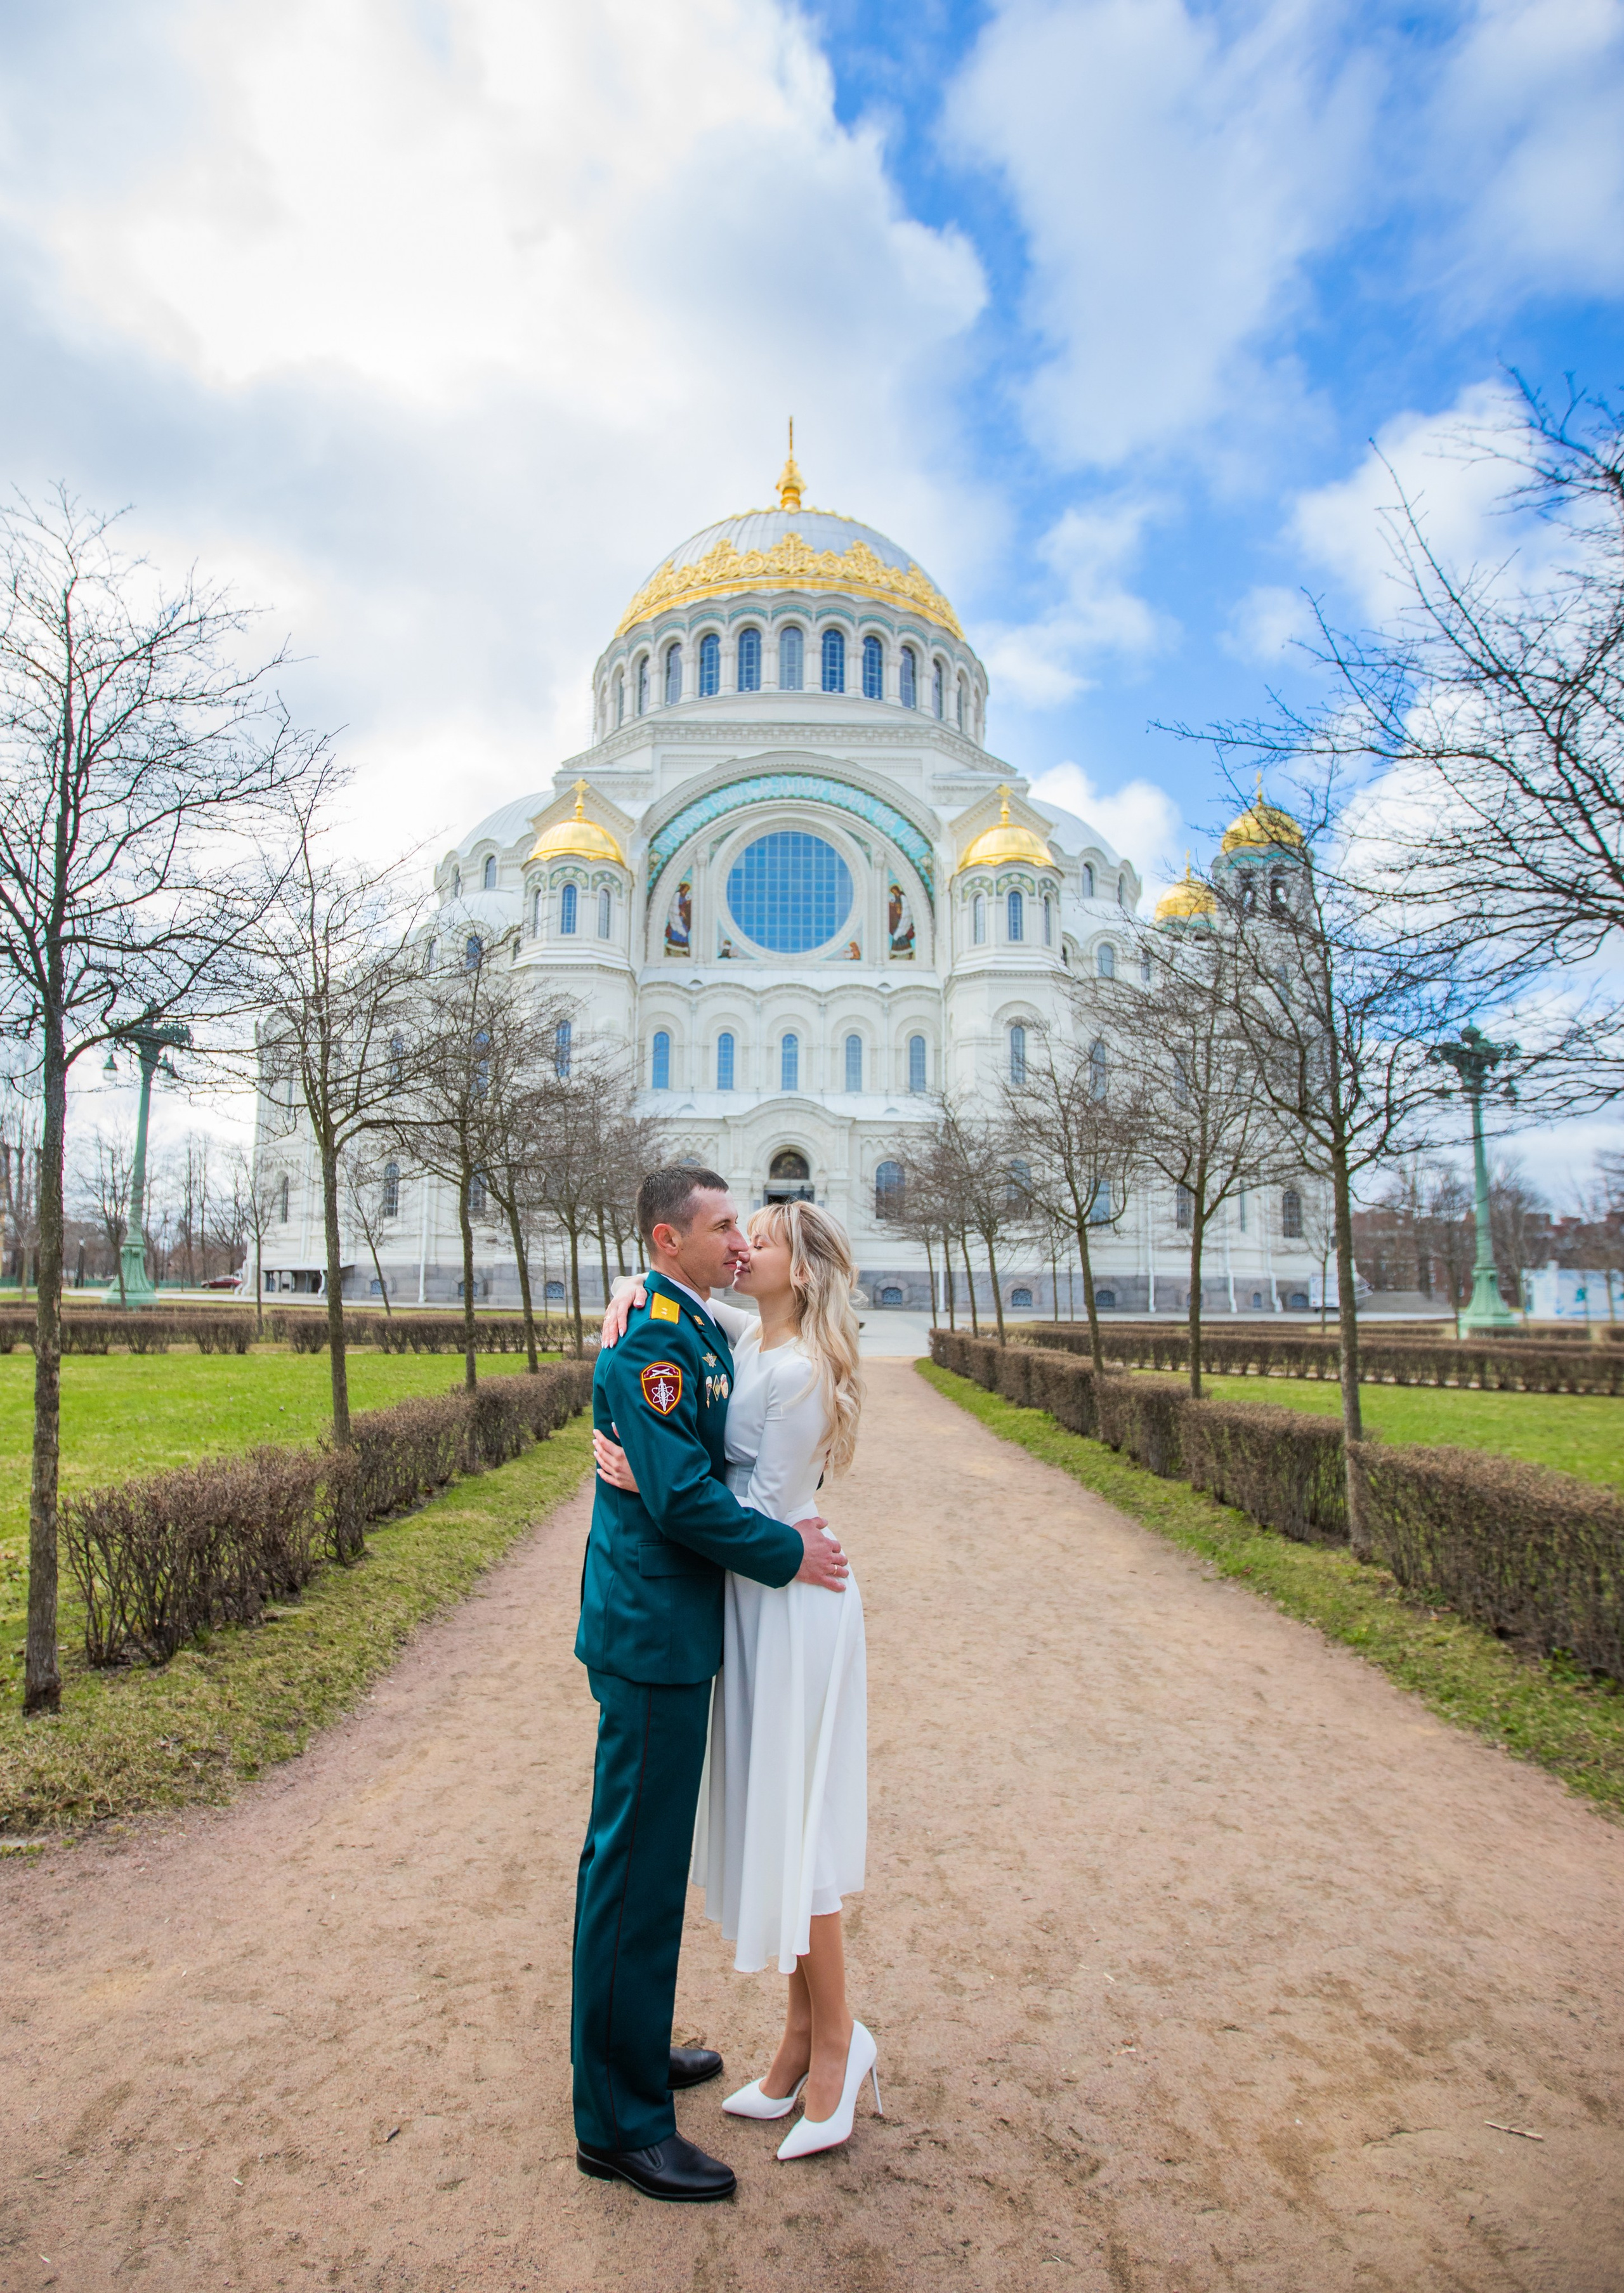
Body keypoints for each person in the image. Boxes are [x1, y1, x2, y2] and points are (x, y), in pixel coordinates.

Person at [572, 1167, 849, 2205]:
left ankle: (633, 2060)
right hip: (654, 1633)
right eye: (724, 1225)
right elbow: (687, 1496)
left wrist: (633, 1284)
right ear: (668, 1238)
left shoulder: (678, 1317)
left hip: (679, 1627)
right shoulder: (654, 1332)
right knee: (631, 1873)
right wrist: (784, 1552)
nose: (738, 1241)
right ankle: (620, 2127)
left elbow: (701, 1420)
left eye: (748, 1226)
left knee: (648, 1872)